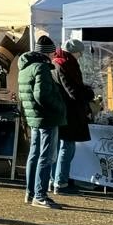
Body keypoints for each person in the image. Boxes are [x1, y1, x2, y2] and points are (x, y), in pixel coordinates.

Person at [18, 34, 67, 208]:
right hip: (46, 117)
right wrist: (60, 107)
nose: (55, 56)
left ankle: (30, 193)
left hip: (34, 118)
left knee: (34, 155)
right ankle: (40, 195)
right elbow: (42, 95)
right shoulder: (41, 68)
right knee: (46, 156)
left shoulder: (25, 68)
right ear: (47, 53)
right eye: (53, 53)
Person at [52, 39, 95, 195]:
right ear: (73, 52)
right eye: (79, 53)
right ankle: (61, 182)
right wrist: (89, 93)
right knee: (67, 148)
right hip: (69, 113)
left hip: (61, 111)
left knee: (59, 148)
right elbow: (73, 92)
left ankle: (54, 180)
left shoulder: (56, 62)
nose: (81, 56)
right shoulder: (66, 65)